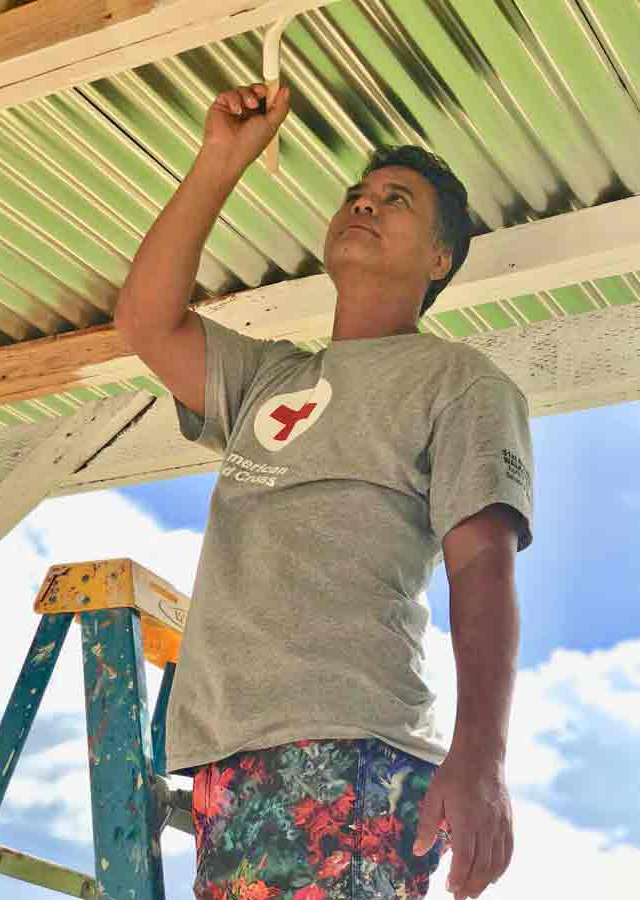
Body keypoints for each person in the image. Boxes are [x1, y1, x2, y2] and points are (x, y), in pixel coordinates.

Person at [114, 81, 534, 900]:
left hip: (354, 747)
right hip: (225, 757)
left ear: (439, 260)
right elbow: (146, 321)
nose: (364, 204)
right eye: (356, 194)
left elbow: (481, 565)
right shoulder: (268, 377)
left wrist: (481, 758)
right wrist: (220, 159)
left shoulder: (458, 381)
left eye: (396, 199)